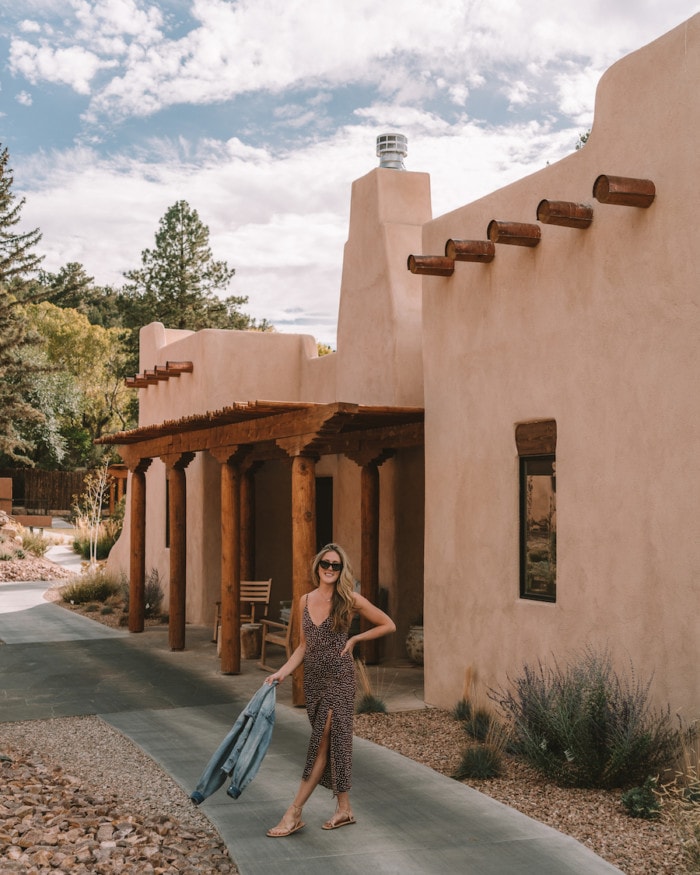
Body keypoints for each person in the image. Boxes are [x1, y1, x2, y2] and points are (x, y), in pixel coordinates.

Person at [264, 542, 396, 837]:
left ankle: (293, 812)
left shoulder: (349, 600)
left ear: (341, 570)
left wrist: (355, 640)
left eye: (336, 565)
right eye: (326, 564)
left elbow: (389, 624)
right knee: (333, 742)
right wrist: (281, 673)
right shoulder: (304, 600)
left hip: (340, 678)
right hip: (313, 681)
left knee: (321, 741)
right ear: (318, 567)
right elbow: (302, 646)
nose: (330, 569)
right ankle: (344, 809)